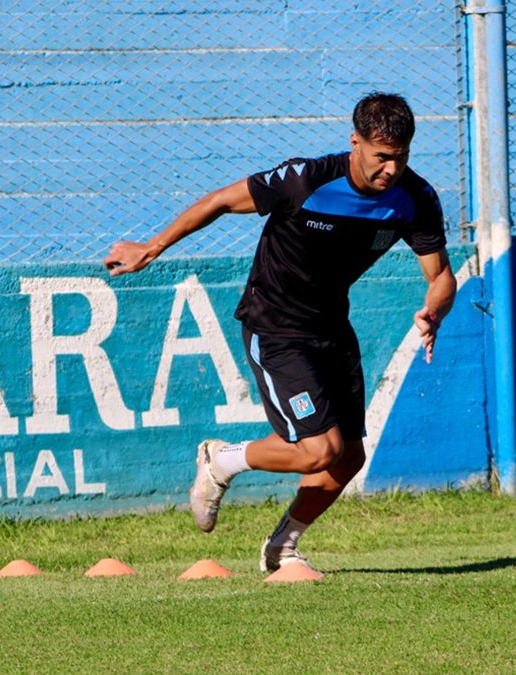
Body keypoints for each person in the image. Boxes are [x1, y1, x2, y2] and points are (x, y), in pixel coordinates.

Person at [104, 92, 456, 575]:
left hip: (332, 327)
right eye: (381, 157)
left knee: (348, 457)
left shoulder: (415, 199)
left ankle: (282, 547)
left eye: (400, 157)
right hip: (275, 325)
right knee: (319, 450)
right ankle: (221, 460)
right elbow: (222, 200)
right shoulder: (306, 179)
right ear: (355, 142)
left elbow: (440, 276)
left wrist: (434, 312)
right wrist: (152, 247)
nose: (390, 170)